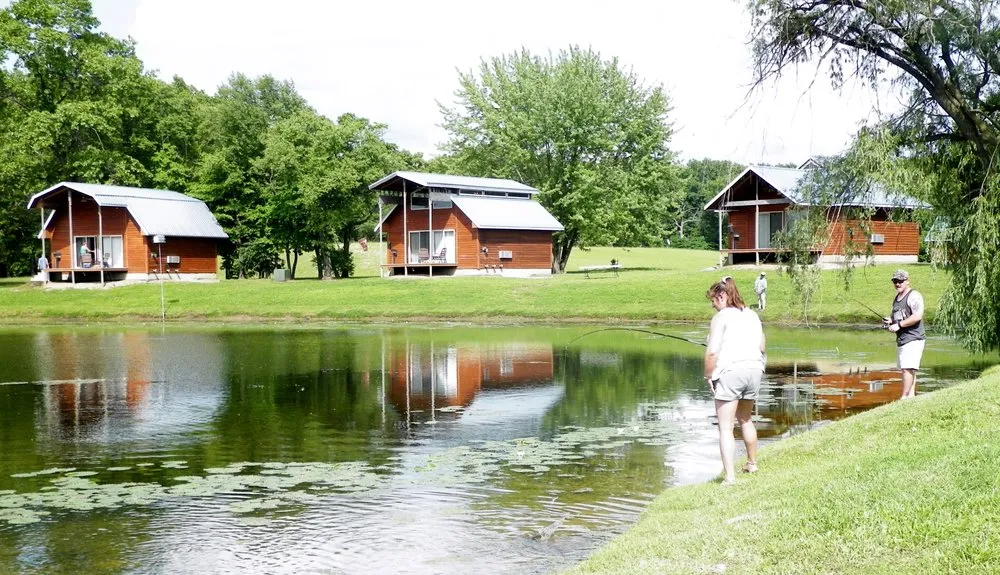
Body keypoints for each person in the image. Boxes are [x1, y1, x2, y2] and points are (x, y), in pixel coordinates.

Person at [704, 276, 766, 485]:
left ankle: (730, 477)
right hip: (754, 370)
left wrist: (708, 376)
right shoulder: (752, 315)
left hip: (731, 372)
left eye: (713, 300)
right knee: (746, 419)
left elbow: (712, 353)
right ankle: (752, 463)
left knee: (725, 427)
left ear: (722, 296)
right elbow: (762, 347)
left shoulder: (721, 317)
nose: (713, 305)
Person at [883, 269, 925, 399]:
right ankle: (911, 396)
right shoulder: (897, 297)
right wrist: (890, 321)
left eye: (900, 281)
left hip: (914, 337)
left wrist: (899, 325)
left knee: (907, 368)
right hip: (903, 339)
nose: (897, 284)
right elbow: (897, 316)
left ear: (907, 281)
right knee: (909, 368)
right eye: (895, 281)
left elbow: (917, 316)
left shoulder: (914, 296)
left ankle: (904, 397)